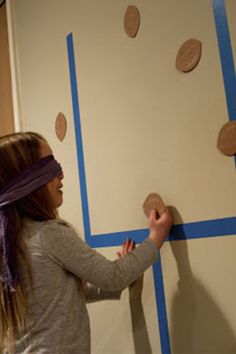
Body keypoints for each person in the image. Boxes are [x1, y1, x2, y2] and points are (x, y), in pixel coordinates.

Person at [0, 132, 173, 354]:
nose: (60, 174)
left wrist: (125, 272)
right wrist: (155, 239)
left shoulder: (10, 243)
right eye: (49, 166)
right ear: (28, 183)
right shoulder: (49, 235)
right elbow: (112, 276)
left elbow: (58, 293)